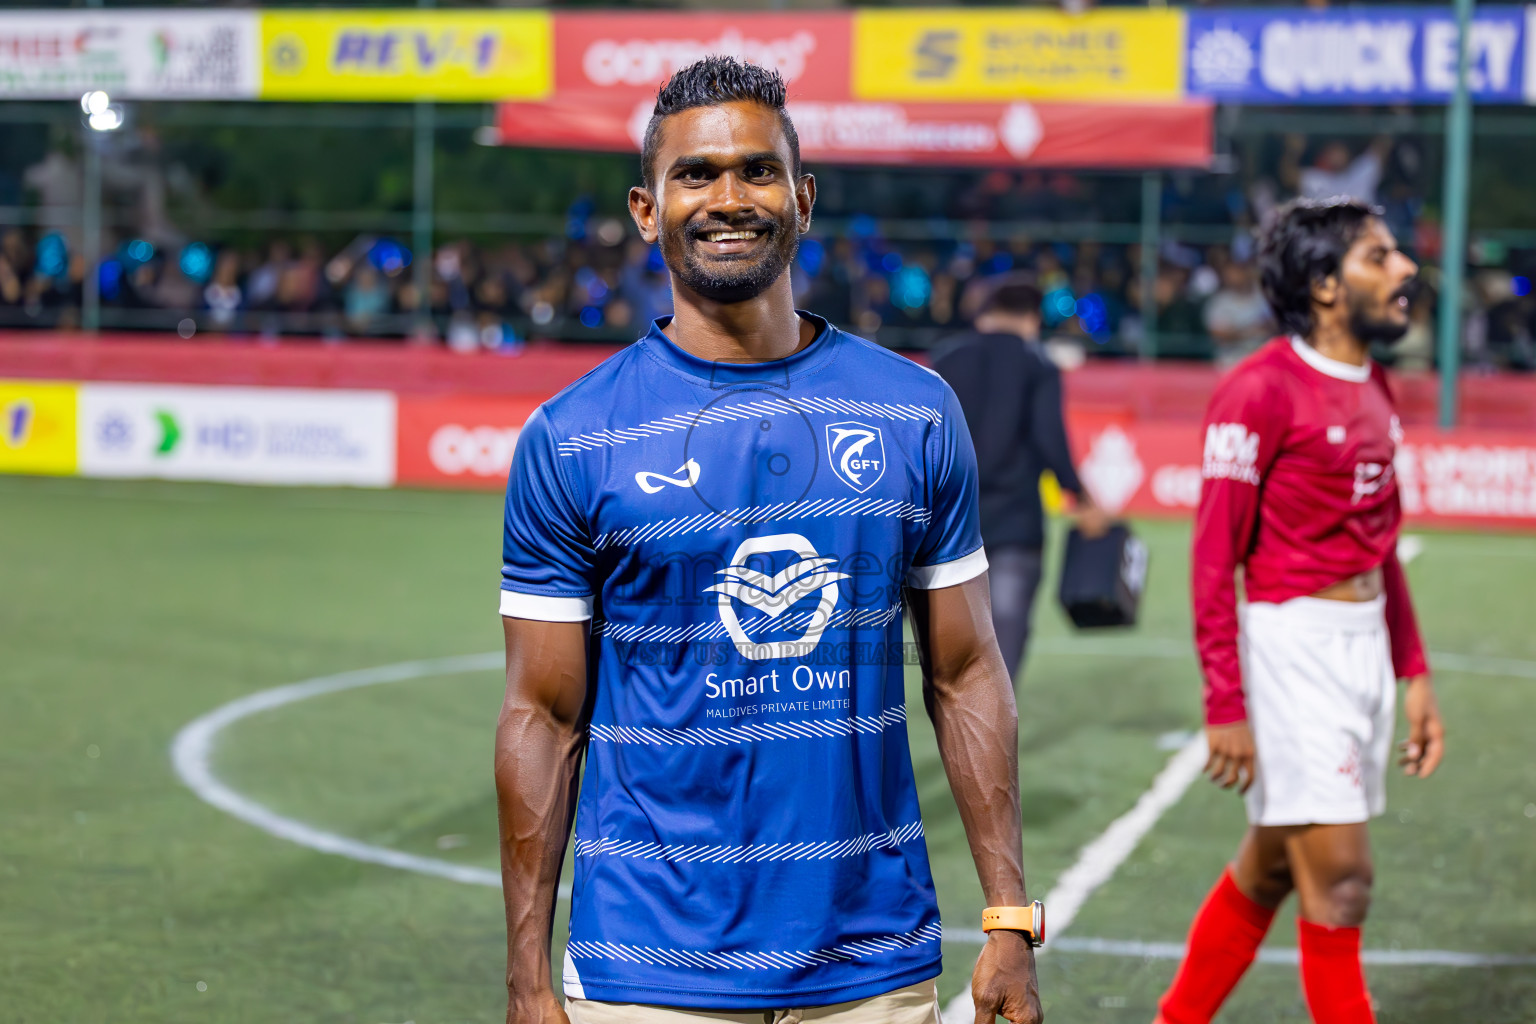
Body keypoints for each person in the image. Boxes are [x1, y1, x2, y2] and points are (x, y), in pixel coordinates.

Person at [495, 58, 1044, 1024]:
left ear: (804, 197)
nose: (728, 198)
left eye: (756, 170)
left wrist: (1008, 915)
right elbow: (542, 717)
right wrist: (528, 977)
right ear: (646, 208)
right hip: (643, 972)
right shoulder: (570, 437)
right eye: (696, 175)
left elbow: (965, 671)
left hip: (869, 962)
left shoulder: (913, 412)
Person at [1155, 197, 1446, 1024]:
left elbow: (1380, 546)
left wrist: (1413, 671)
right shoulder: (1258, 391)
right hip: (1293, 650)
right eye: (1380, 257)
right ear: (1324, 285)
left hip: (1361, 653)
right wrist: (1225, 702)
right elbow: (1215, 559)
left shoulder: (1378, 384)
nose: (1405, 269)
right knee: (1344, 882)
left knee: (1274, 867)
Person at [931, 279, 1107, 683]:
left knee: (946, 643)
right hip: (1015, 523)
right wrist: (1079, 496)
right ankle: (991, 732)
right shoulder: (1038, 364)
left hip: (950, 524)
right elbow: (1049, 438)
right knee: (1003, 645)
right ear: (1031, 319)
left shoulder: (947, 360)